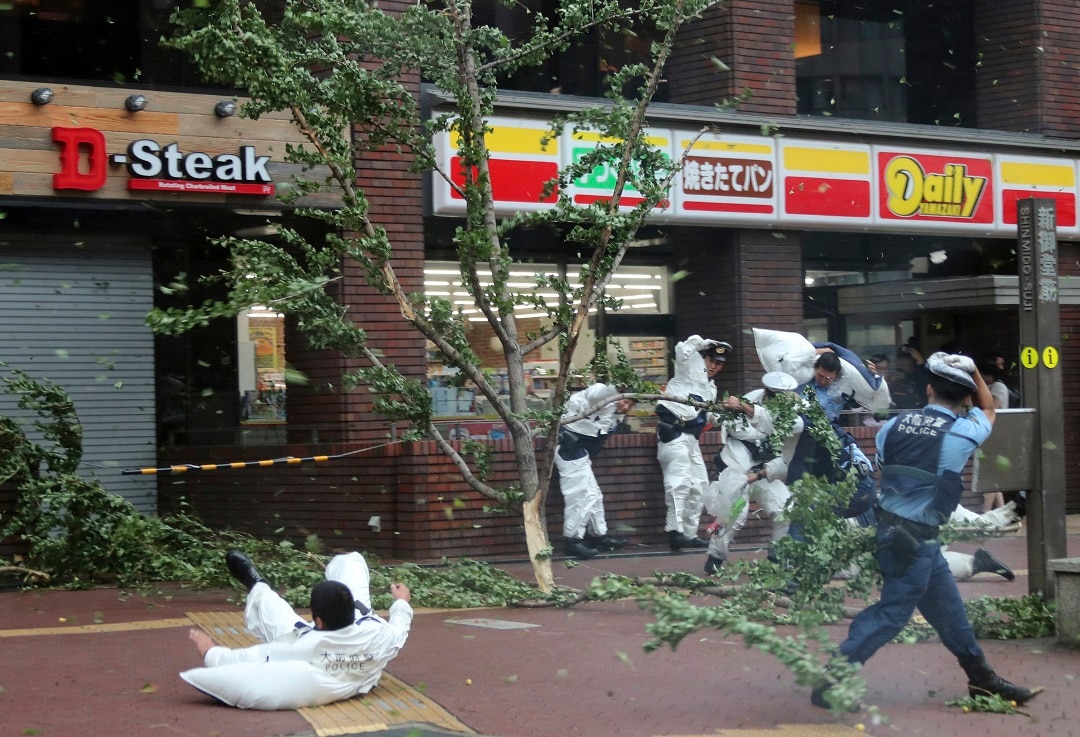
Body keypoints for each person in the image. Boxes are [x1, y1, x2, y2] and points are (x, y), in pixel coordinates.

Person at [811, 352, 1038, 710]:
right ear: (963, 399)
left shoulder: (890, 428)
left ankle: (982, 680)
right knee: (891, 615)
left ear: (928, 389)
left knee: (950, 612)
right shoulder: (963, 431)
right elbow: (990, 408)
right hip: (915, 541)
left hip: (896, 534)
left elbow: (883, 473)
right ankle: (831, 681)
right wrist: (975, 370)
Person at [181, 550, 412, 710]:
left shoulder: (298, 648)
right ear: (353, 610)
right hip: (356, 653)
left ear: (318, 621)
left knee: (272, 607)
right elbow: (399, 627)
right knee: (353, 562)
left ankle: (257, 585)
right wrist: (402, 601)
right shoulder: (378, 634)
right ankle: (335, 571)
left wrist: (210, 651)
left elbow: (247, 659)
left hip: (311, 644)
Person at [702, 371, 804, 574]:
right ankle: (715, 556)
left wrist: (760, 474)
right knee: (733, 514)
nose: (775, 401)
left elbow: (785, 457)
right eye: (772, 396)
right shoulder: (751, 398)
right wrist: (724, 409)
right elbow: (714, 416)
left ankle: (777, 555)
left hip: (765, 470)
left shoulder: (795, 419)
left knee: (785, 509)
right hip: (735, 467)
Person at [656, 335, 731, 552]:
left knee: (700, 486)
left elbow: (705, 416)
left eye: (719, 364)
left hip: (691, 438)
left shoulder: (711, 388)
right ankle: (674, 531)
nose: (714, 367)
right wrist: (700, 342)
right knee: (679, 482)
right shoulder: (688, 366)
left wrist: (722, 414)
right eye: (711, 361)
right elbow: (681, 349)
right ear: (704, 357)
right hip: (674, 432)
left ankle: (688, 533)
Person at [556, 383, 635, 559]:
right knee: (579, 496)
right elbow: (596, 395)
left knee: (594, 495)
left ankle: (599, 535)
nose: (625, 406)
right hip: (570, 450)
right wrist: (616, 388)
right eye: (625, 401)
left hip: (579, 454)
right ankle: (572, 540)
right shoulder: (602, 395)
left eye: (630, 405)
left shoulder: (612, 416)